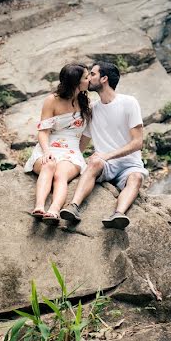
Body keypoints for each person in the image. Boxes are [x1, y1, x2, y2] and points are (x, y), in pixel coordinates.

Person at [59, 61, 147, 229]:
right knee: (95, 161)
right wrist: (64, 160)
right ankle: (73, 206)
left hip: (129, 165)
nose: (88, 78)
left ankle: (118, 215)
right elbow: (81, 145)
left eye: (92, 74)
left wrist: (108, 155)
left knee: (136, 177)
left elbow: (137, 142)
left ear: (104, 78)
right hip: (104, 165)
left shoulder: (129, 102)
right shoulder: (92, 109)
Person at [24, 63, 91, 225]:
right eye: (86, 77)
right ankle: (39, 207)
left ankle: (54, 210)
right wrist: (46, 151)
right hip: (49, 145)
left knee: (60, 174)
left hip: (72, 150)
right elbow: (44, 131)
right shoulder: (51, 101)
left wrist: (77, 154)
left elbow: (86, 136)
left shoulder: (84, 101)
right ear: (76, 83)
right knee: (49, 165)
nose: (89, 80)